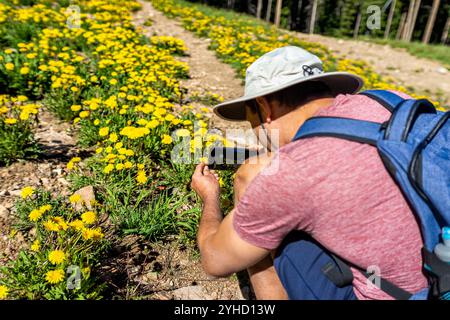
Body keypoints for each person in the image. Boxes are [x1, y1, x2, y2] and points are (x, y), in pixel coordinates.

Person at [190, 46, 428, 300]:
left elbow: (214, 262)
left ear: (264, 107)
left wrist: (210, 197)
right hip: (438, 275)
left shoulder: (291, 174)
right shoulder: (390, 100)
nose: (257, 133)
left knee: (251, 177)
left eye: (252, 122)